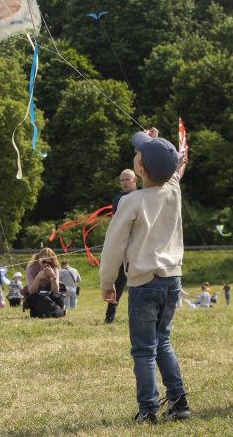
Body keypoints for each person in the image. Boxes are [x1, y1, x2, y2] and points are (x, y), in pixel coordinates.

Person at [99, 128, 190, 423]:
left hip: (144, 284)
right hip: (172, 281)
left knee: (143, 350)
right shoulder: (173, 189)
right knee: (162, 341)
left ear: (139, 170)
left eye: (138, 154)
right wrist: (155, 142)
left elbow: (113, 246)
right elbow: (171, 169)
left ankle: (149, 409)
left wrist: (107, 281)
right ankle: (178, 401)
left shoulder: (130, 202)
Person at [104, 169, 138, 323]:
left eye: (127, 179)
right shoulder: (119, 199)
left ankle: (139, 314)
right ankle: (110, 315)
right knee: (119, 282)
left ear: (135, 180)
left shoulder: (143, 196)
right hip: (124, 247)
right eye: (122, 180)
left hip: (141, 245)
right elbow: (118, 223)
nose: (124, 183)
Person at [24, 247, 65, 318]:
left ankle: (53, 311)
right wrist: (37, 278)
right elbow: (31, 291)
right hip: (37, 296)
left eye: (49, 262)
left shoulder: (54, 267)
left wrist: (53, 277)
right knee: (37, 299)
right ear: (39, 258)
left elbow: (55, 291)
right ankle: (57, 311)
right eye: (44, 262)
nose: (46, 264)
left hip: (50, 295)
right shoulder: (31, 267)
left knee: (56, 297)